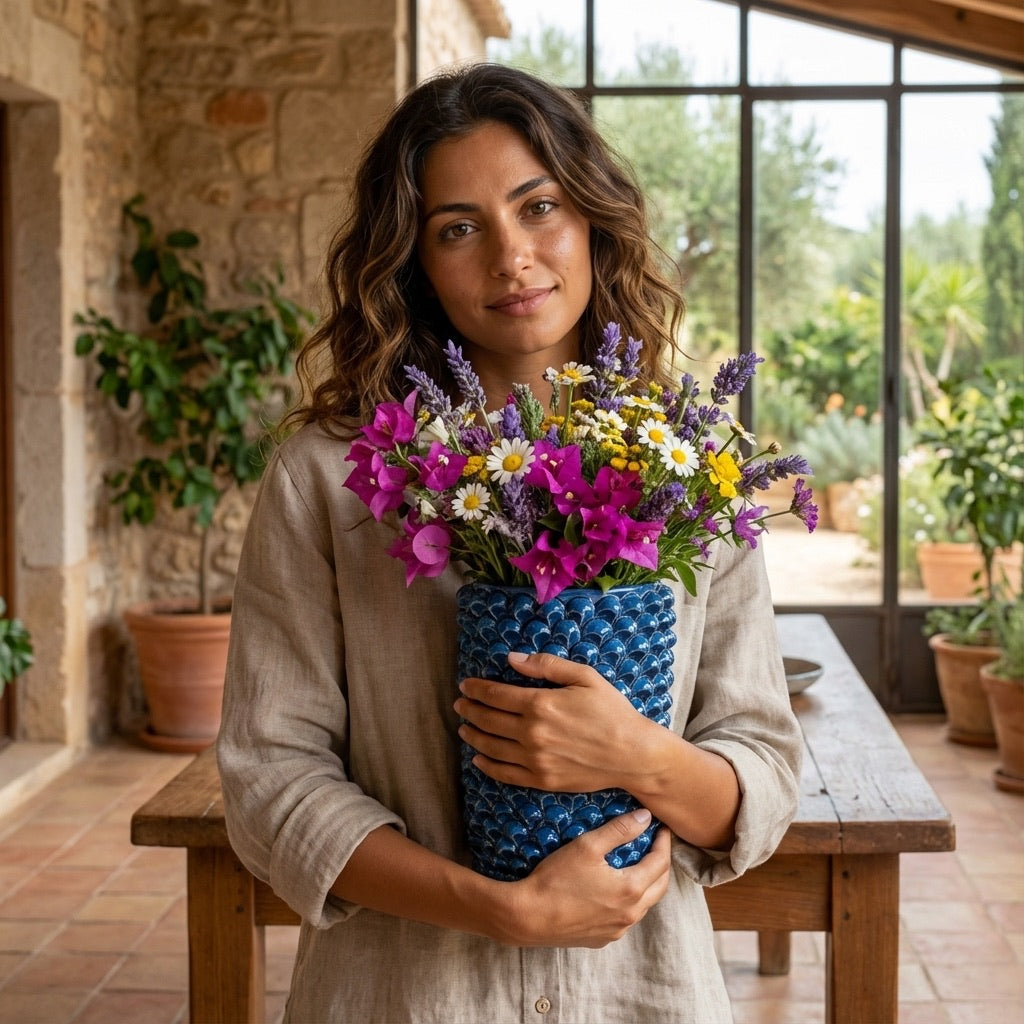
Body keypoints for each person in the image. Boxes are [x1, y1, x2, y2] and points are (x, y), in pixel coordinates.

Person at [217, 62, 803, 1023]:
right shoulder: (329, 478)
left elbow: (761, 773)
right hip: (406, 996)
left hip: (643, 995)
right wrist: (501, 912)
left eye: (539, 208)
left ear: (592, 220)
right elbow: (271, 778)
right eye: (459, 228)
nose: (511, 257)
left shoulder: (693, 471)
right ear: (414, 261)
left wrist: (638, 755)